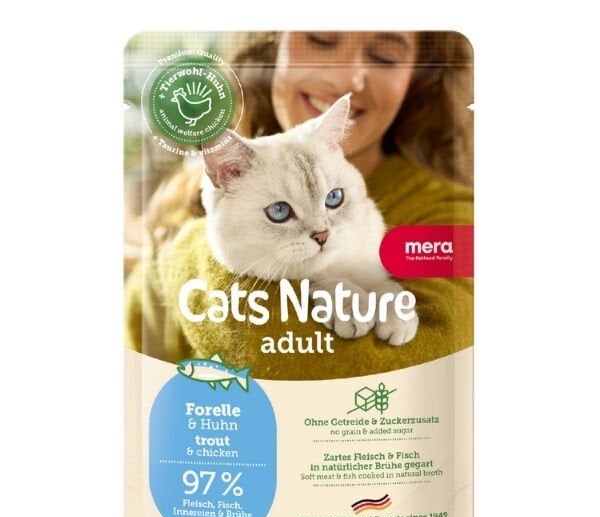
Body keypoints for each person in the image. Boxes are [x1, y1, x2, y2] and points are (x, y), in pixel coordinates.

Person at [125, 31, 473, 378]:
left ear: (419, 75)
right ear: (273, 44)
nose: (346, 78)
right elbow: (137, 342)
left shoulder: (452, 211)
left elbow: (311, 364)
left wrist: (182, 250)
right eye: (321, 39)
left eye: (384, 57)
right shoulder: (185, 193)